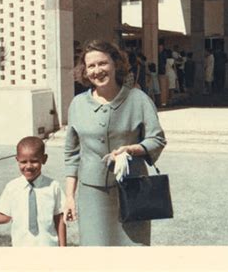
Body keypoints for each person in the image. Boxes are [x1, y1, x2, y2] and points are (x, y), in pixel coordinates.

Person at [64, 40, 166, 246]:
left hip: (133, 190)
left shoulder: (138, 99)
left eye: (103, 63)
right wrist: (69, 197)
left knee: (133, 251)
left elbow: (157, 139)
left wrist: (133, 149)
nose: (97, 70)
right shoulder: (77, 104)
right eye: (91, 66)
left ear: (116, 64)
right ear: (85, 71)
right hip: (92, 194)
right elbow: (71, 154)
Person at [0, 136, 66, 247]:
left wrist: (63, 249)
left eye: (34, 161)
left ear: (44, 159)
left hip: (48, 247)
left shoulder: (53, 187)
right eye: (23, 162)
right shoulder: (12, 188)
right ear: (17, 160)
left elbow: (59, 219)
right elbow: (5, 216)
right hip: (21, 248)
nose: (28, 166)